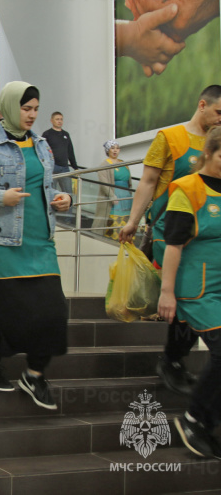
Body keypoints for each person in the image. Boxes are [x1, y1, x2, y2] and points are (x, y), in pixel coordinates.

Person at [0, 81, 72, 410]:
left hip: (40, 245)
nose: (31, 115)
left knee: (54, 313)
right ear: (8, 108)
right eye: (25, 108)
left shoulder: (42, 146)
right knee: (9, 316)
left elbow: (45, 189)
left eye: (35, 109)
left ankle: (34, 374)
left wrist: (62, 199)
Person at [119, 85, 221, 396]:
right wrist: (133, 222)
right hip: (169, 233)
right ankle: (172, 359)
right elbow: (148, 181)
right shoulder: (169, 138)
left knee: (190, 302)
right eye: (218, 112)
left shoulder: (216, 143)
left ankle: (173, 359)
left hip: (206, 237)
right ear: (201, 105)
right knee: (186, 298)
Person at [158, 127, 221, 459]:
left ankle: (206, 423)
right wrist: (167, 292)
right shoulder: (187, 190)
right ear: (208, 153)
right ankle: (194, 418)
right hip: (197, 291)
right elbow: (173, 246)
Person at [96, 140, 133, 240]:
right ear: (108, 150)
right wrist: (112, 196)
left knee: (127, 221)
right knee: (113, 222)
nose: (115, 150)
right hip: (114, 197)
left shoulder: (123, 163)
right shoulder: (104, 164)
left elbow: (129, 181)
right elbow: (104, 183)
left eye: (117, 148)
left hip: (126, 197)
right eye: (112, 148)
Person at [41, 112, 78, 197]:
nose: (59, 121)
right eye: (57, 119)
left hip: (65, 167)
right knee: (52, 194)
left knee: (68, 194)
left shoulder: (66, 134)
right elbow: (42, 151)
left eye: (61, 119)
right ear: (51, 121)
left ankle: (69, 210)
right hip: (52, 168)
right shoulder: (47, 134)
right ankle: (52, 211)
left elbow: (70, 151)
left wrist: (75, 167)